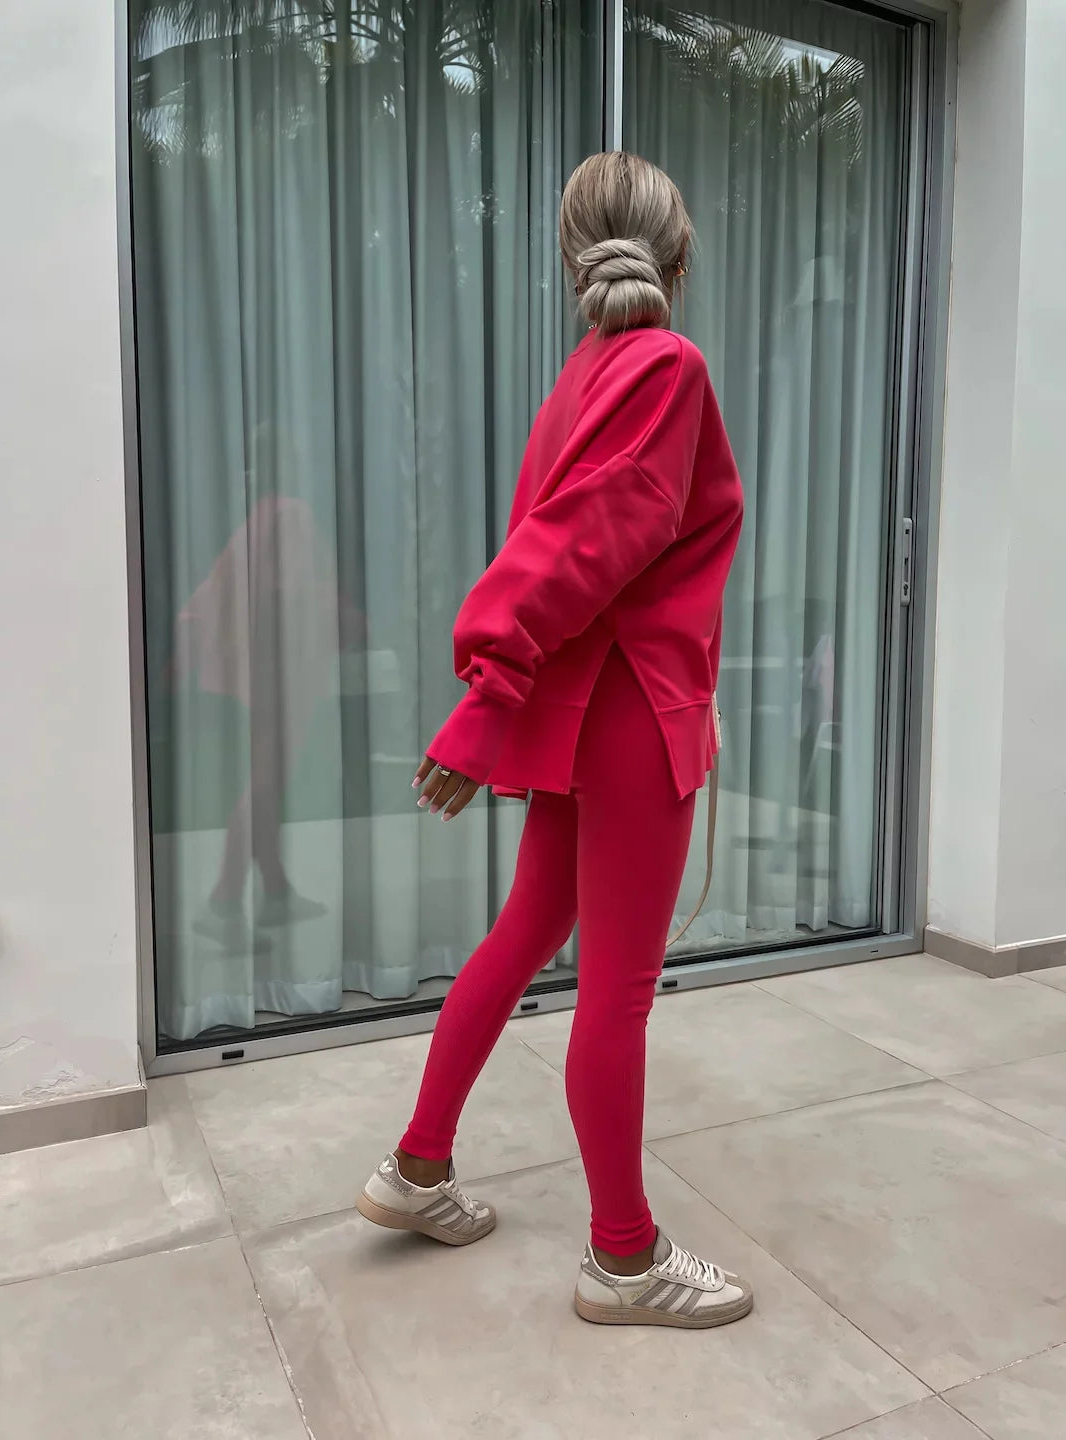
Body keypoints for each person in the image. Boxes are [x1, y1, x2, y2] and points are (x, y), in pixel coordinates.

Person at [357, 152, 748, 1329]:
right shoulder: (667, 366)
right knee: (614, 992)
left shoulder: (580, 379)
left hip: (580, 711)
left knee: (527, 932)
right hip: (628, 711)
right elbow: (589, 539)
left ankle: (418, 1167)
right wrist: (487, 694)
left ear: (574, 258)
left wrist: (501, 692)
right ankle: (624, 1261)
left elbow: (566, 539)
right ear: (679, 255)